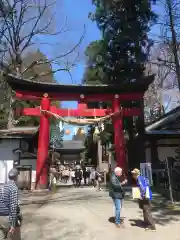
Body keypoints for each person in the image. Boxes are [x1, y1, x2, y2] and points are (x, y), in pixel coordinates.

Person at [0, 168, 22, 240]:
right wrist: (13, 224)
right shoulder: (13, 188)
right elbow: (13, 206)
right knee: (15, 237)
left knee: (3, 236)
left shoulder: (3, 186)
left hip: (1, 218)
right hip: (8, 218)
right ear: (16, 177)